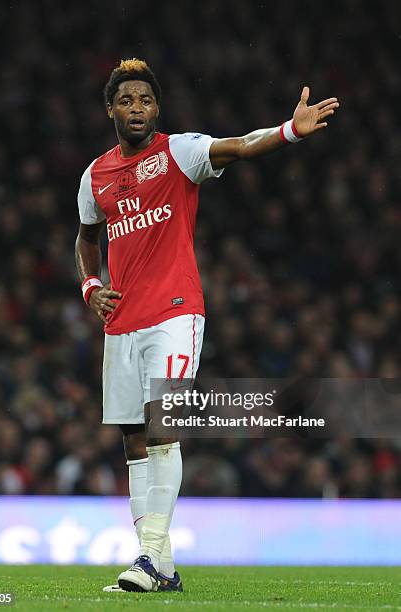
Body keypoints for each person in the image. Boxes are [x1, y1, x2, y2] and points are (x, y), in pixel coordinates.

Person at [75, 58, 339, 592]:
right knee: (133, 442)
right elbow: (84, 238)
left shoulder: (180, 151)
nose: (136, 109)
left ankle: (148, 559)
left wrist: (289, 131)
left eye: (145, 101)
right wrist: (89, 285)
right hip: (121, 322)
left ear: (157, 108)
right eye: (126, 101)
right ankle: (162, 568)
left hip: (175, 313)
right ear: (111, 109)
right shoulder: (94, 175)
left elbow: (240, 146)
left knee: (161, 426)